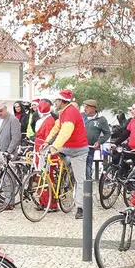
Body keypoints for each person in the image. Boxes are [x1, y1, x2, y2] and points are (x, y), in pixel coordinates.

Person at [42, 90, 90, 219]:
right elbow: (56, 128)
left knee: (80, 179)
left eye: (56, 101)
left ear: (62, 101)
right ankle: (59, 179)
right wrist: (47, 142)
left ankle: (81, 208)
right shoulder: (63, 112)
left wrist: (54, 147)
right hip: (67, 147)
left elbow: (65, 133)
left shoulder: (70, 113)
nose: (55, 103)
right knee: (47, 156)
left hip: (78, 149)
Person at [83, 99, 111, 180]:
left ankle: (87, 191)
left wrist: (99, 142)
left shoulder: (101, 120)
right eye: (84, 107)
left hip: (89, 148)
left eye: (87, 107)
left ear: (93, 108)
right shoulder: (81, 116)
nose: (85, 109)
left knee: (87, 169)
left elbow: (107, 133)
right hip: (77, 147)